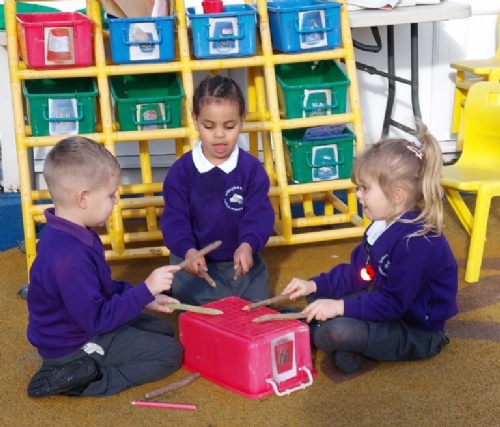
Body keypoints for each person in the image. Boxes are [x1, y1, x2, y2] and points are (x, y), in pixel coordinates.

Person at [282, 125, 458, 374]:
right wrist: (314, 285)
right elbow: (360, 273)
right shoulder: (382, 224)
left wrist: (338, 308)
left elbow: (392, 304)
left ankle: (326, 333)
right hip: (385, 303)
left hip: (415, 330)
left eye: (365, 188)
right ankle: (345, 342)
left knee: (334, 331)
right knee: (319, 298)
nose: (358, 194)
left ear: (397, 195)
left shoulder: (417, 243)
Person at [26, 136, 183, 398]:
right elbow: (97, 319)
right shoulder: (69, 258)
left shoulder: (75, 233)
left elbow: (103, 288)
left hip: (82, 325)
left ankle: (90, 364)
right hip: (73, 344)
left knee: (162, 329)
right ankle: (89, 379)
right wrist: (144, 290)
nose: (115, 201)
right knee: (170, 353)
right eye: (110, 195)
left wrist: (145, 298)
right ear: (83, 198)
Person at [160, 75, 275, 305]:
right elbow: (175, 219)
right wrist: (188, 251)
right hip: (195, 259)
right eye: (209, 126)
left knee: (254, 302)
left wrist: (247, 245)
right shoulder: (181, 171)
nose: (219, 134)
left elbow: (259, 216)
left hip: (238, 259)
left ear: (241, 121)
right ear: (195, 120)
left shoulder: (252, 169)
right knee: (203, 304)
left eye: (229, 126)